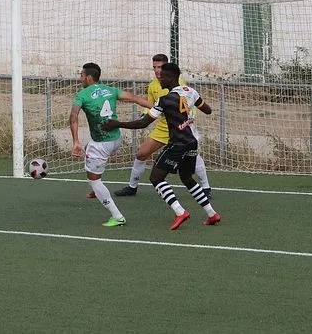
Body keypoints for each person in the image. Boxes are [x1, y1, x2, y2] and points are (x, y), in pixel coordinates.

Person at [103, 63, 220, 230]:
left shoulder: (164, 100)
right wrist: (187, 116)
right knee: (186, 178)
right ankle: (212, 214)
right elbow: (207, 110)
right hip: (192, 141)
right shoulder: (191, 92)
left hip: (178, 143)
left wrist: (116, 123)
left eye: (162, 76)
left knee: (156, 178)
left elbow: (143, 123)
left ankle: (180, 212)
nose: (159, 79)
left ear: (172, 77)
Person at [111, 53, 213, 199]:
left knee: (194, 158)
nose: (157, 71)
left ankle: (206, 188)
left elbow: (189, 104)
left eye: (159, 67)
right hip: (162, 128)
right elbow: (151, 104)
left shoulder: (179, 83)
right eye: (154, 67)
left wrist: (191, 118)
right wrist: (144, 114)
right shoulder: (154, 85)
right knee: (141, 153)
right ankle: (132, 187)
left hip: (180, 129)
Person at [70, 62, 151, 227]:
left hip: (101, 144)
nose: (80, 78)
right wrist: (158, 108)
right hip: (116, 139)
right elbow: (134, 98)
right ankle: (97, 188)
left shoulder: (82, 95)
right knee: (90, 153)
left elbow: (73, 116)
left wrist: (76, 141)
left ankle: (117, 216)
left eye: (81, 75)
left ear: (89, 77)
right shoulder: (111, 90)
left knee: (93, 179)